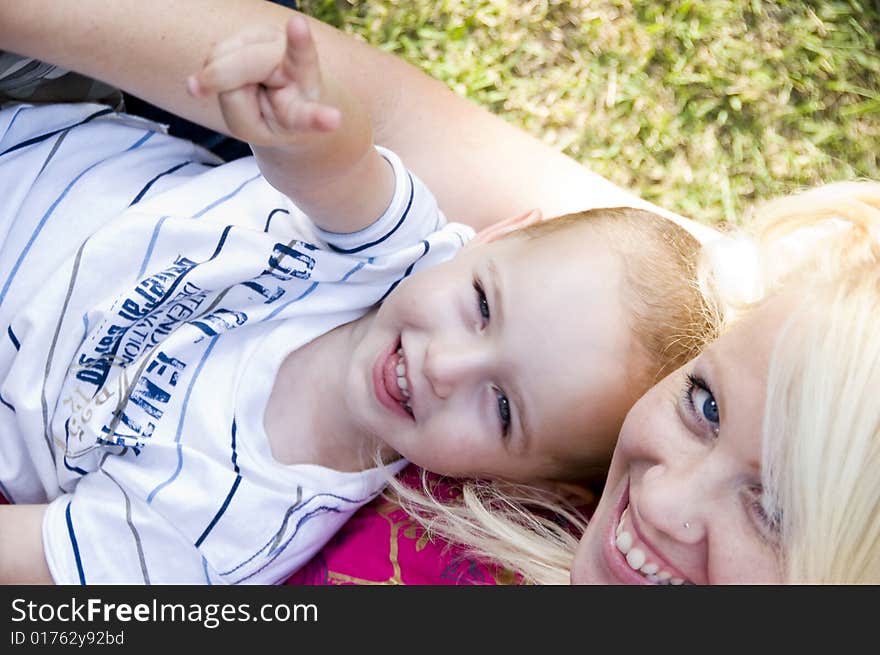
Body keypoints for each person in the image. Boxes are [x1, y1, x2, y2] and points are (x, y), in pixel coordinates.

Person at [0, 16, 709, 584]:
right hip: (36, 126)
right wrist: (301, 108)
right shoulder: (396, 251)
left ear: (517, 481)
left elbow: (37, 556)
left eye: (501, 408)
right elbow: (335, 163)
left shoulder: (229, 527)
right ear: (493, 236)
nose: (446, 367)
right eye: (483, 306)